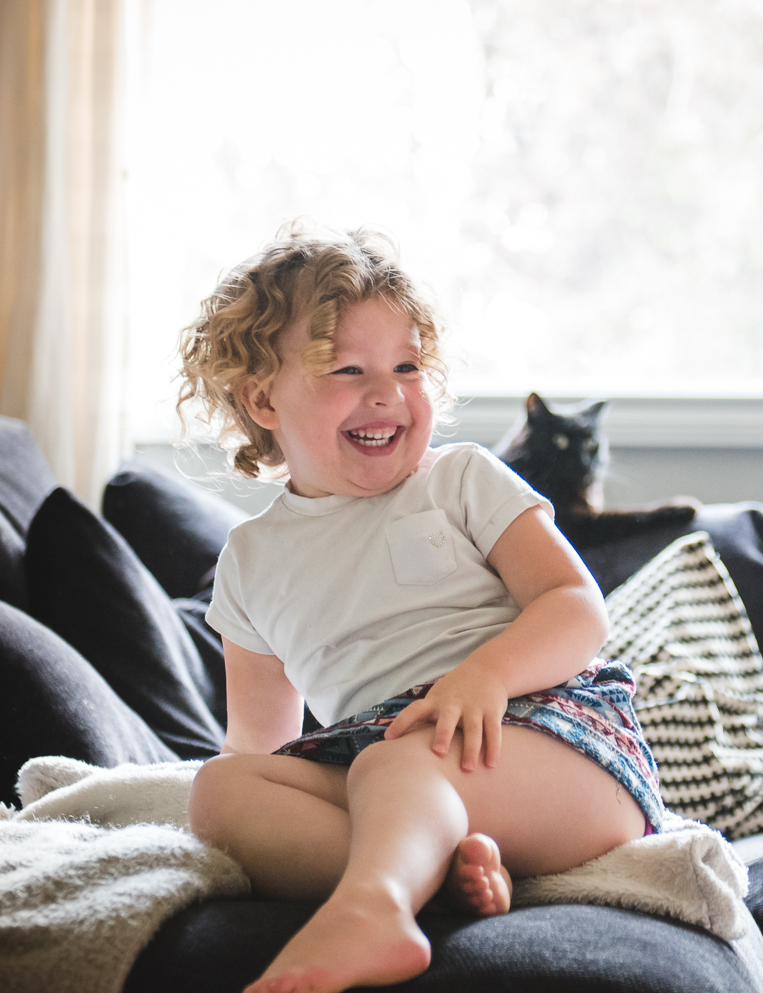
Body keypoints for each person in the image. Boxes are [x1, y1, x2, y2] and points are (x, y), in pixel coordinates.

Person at [178, 225, 665, 993]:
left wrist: (486, 676)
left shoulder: (461, 480)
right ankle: (429, 870)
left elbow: (577, 606)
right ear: (262, 397)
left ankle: (373, 907)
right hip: (395, 761)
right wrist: (254, 792)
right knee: (223, 790)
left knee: (393, 762)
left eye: (407, 365)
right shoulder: (249, 561)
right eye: (348, 368)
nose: (388, 393)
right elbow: (260, 745)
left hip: (553, 741)